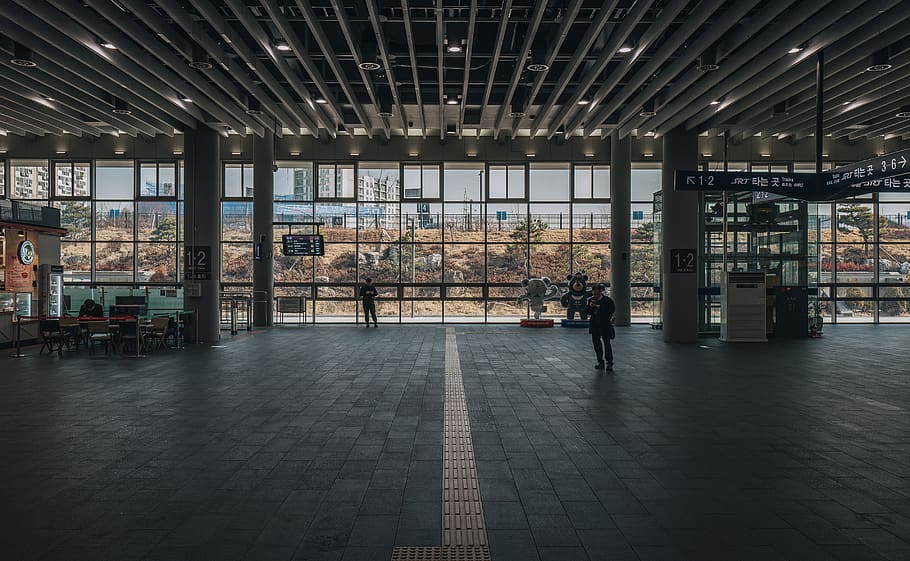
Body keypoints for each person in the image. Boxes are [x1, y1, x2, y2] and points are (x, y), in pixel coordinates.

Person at [585, 283, 616, 370]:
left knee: (607, 344)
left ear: (601, 292)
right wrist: (590, 307)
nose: (595, 295)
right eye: (594, 294)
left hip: (605, 325)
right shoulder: (590, 300)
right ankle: (600, 361)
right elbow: (586, 311)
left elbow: (610, 311)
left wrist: (598, 306)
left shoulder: (608, 300)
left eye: (597, 294)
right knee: (596, 344)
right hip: (594, 325)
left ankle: (609, 362)